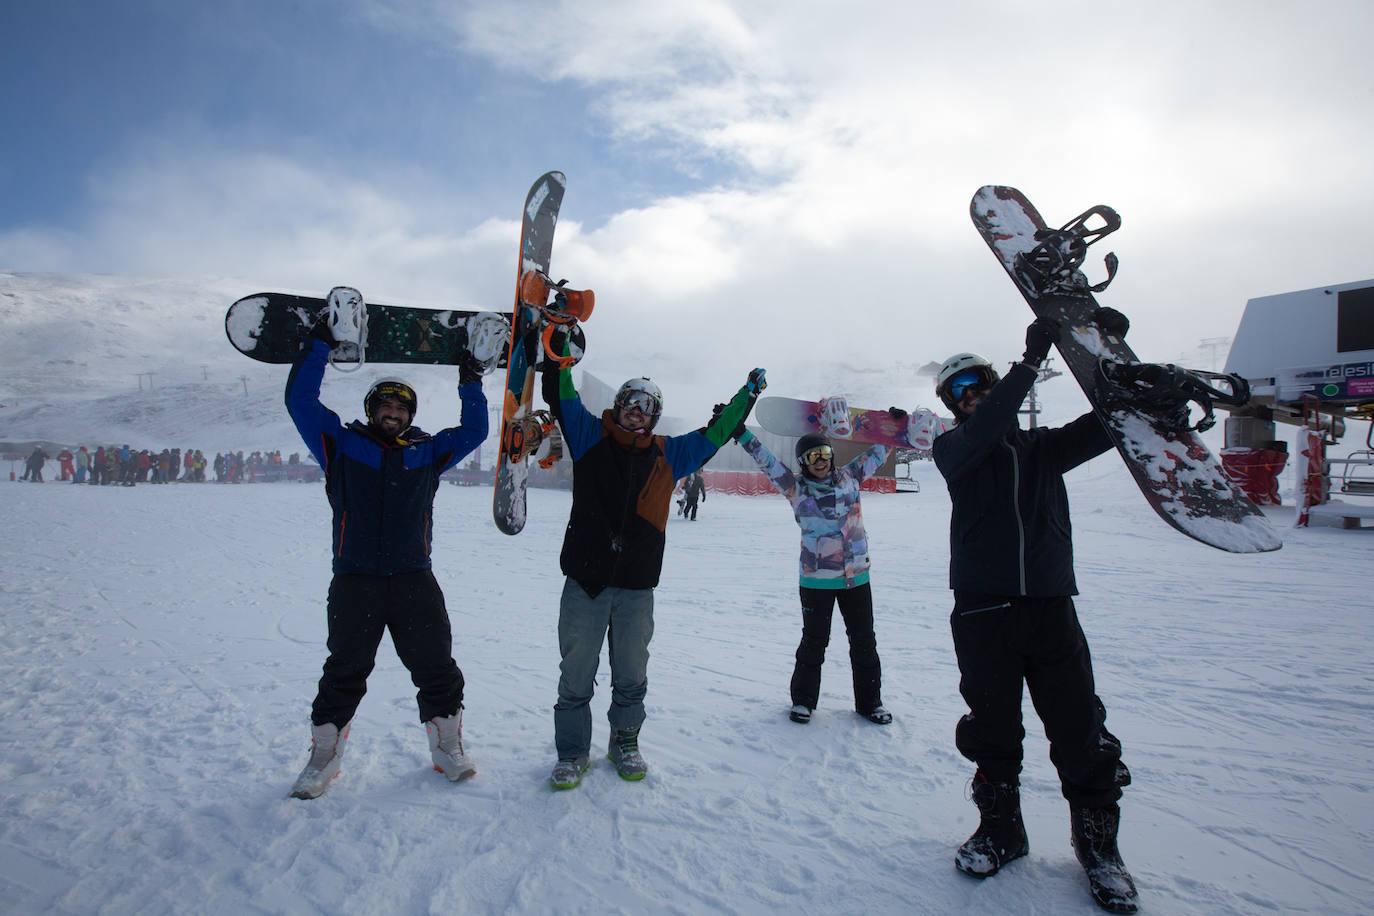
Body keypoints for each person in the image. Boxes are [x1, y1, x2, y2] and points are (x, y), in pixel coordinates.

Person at [931, 314, 1137, 914]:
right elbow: (990, 426)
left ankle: (1099, 850)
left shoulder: (1044, 448)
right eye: (960, 391)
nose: (974, 396)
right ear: (952, 406)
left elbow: (1106, 428)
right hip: (982, 612)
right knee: (994, 730)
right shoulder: (954, 449)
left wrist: (1112, 368)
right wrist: (1025, 368)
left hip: (1051, 609)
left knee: (1080, 729)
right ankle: (1002, 831)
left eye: (980, 383)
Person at [540, 336, 765, 790]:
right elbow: (562, 394)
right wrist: (559, 350)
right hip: (585, 581)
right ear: (619, 405)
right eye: (630, 401)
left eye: (646, 405)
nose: (636, 409)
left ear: (655, 415)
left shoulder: (670, 454)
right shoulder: (589, 436)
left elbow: (716, 434)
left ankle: (624, 742)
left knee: (631, 673)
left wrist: (748, 396)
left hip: (636, 586)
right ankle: (571, 752)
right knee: (576, 672)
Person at [283, 325, 490, 799]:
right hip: (356, 580)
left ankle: (447, 750)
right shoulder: (341, 445)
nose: (392, 413)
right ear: (372, 411)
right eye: (385, 406)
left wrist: (471, 379)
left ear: (409, 415)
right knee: (345, 670)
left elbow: (475, 430)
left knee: (436, 667)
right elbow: (301, 403)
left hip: (414, 578)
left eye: (401, 408)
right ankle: (323, 758)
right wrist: (319, 345)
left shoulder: (427, 452)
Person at [736, 425, 893, 726]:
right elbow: (766, 460)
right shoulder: (795, 487)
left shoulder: (851, 476)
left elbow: (878, 452)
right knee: (814, 641)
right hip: (816, 580)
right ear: (803, 463)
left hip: (856, 577)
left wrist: (892, 429)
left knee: (864, 641)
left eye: (824, 453)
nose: (820, 460)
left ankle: (870, 702)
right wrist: (743, 435)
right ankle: (804, 701)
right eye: (812, 456)